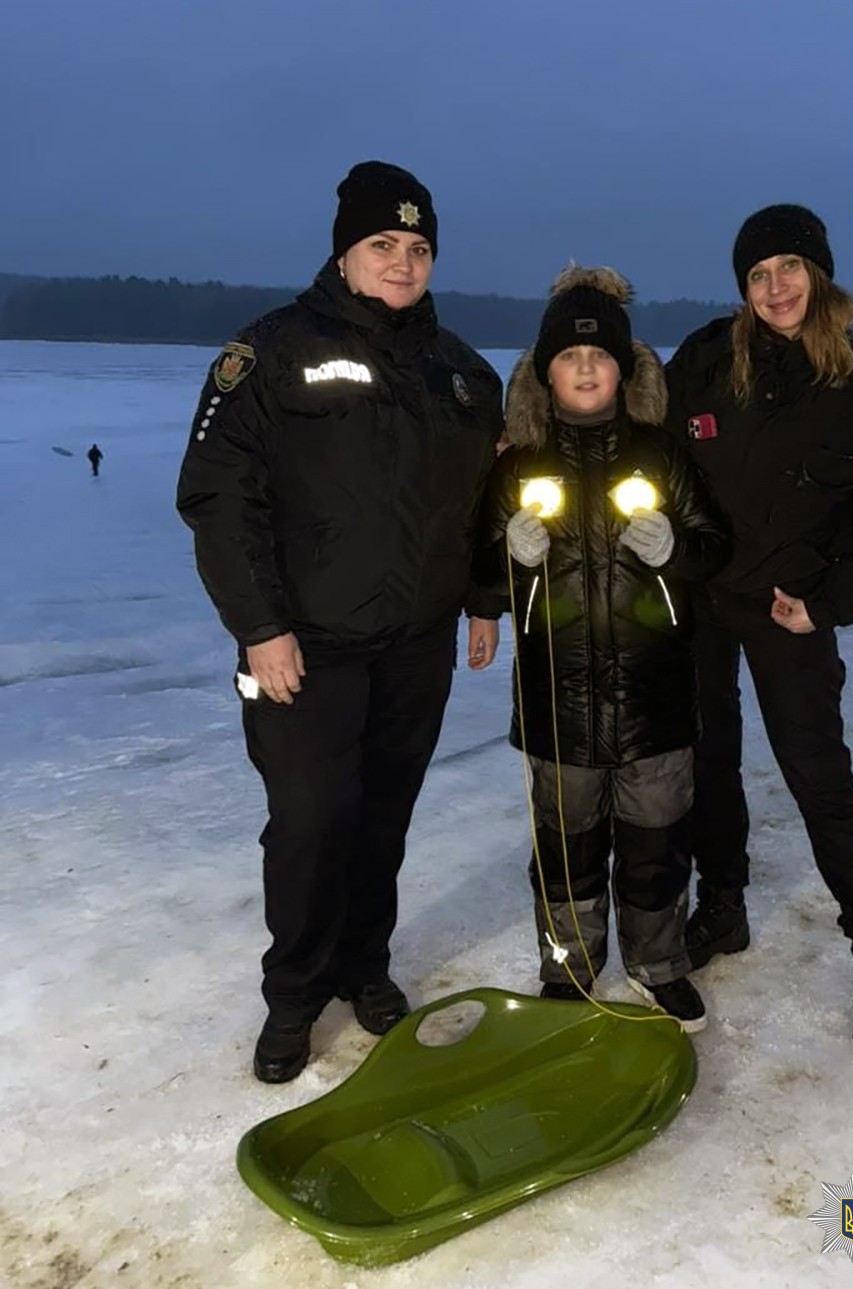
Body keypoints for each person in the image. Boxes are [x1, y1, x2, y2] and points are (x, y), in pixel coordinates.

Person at [177, 161, 504, 1083]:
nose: (402, 264)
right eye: (383, 246)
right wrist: (258, 625)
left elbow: (482, 504)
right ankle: (294, 992)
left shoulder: (463, 374)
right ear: (345, 252)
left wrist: (483, 598)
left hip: (416, 642)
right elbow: (217, 496)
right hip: (304, 643)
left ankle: (365, 961)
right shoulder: (272, 351)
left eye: (418, 247)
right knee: (312, 818)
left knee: (384, 815)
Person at [665, 205, 853, 1062]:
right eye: (757, 274)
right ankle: (724, 904)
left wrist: (828, 603)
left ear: (819, 274)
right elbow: (650, 461)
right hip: (703, 600)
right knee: (705, 758)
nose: (776, 287)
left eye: (789, 267)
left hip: (793, 609)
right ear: (742, 288)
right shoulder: (705, 362)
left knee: (819, 773)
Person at [473, 266, 730, 1031]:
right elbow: (480, 573)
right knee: (566, 851)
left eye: (599, 356)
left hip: (655, 703)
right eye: (568, 357)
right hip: (560, 706)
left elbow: (717, 547)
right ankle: (569, 968)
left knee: (656, 846)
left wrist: (675, 546)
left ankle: (657, 963)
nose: (585, 368)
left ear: (623, 368)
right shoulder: (519, 464)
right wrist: (507, 554)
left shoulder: (662, 456)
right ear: (544, 373)